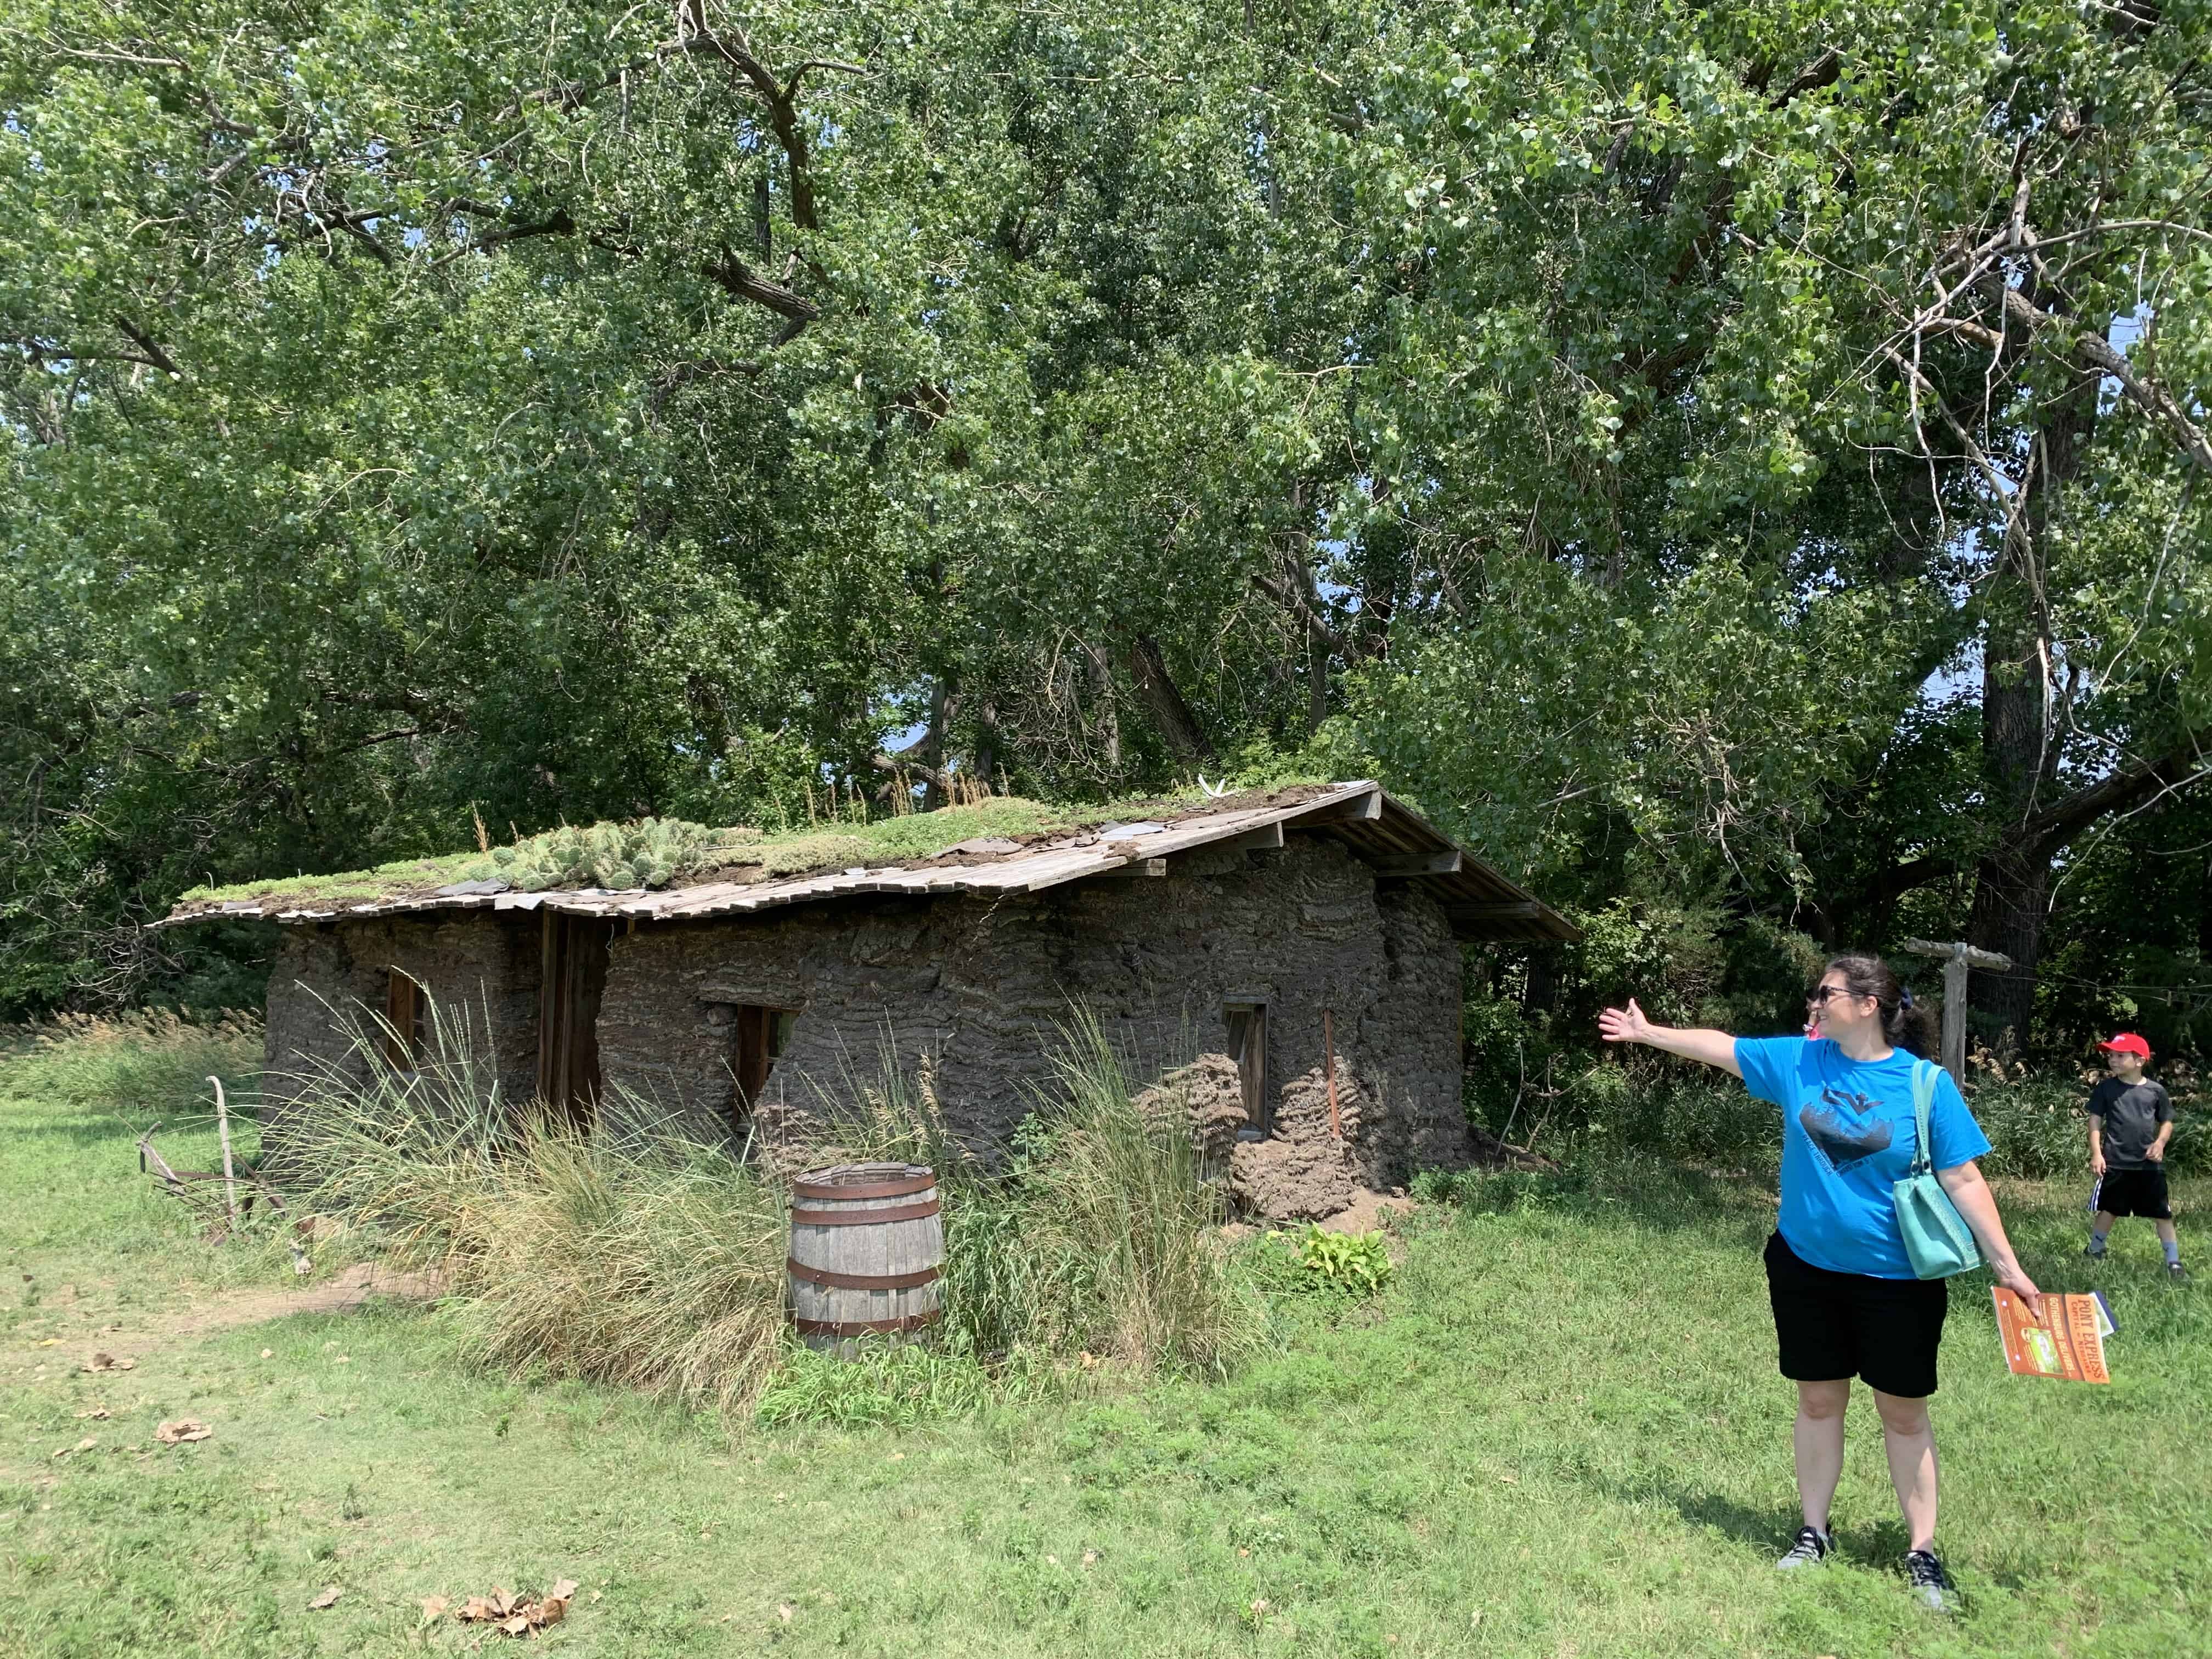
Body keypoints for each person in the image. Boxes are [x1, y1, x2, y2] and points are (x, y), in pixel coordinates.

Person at [1598, 954, 2042, 1613]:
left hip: (1898, 1280)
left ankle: (1921, 1552)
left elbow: (1964, 1179)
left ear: (1867, 1004)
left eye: (1824, 992)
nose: (1813, 1002)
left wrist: (2008, 1267)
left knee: (1904, 1414)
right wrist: (1648, 1033)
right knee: (1817, 1403)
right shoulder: (1800, 1060)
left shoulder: (1924, 1085)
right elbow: (1725, 1049)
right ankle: (1814, 1531)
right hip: (1805, 1267)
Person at [2085, 1033, 2183, 1280]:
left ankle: (2174, 1262)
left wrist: (2160, 1143)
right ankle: (2094, 1250)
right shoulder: (2106, 1089)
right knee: (2109, 1210)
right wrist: (2097, 1154)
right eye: (2111, 1055)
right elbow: (2095, 1121)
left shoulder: (2155, 1091)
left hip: (2149, 1167)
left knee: (2162, 1213)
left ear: (2140, 1061)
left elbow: (2167, 1122)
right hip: (2116, 1163)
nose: (2113, 1060)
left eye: (2120, 1055)